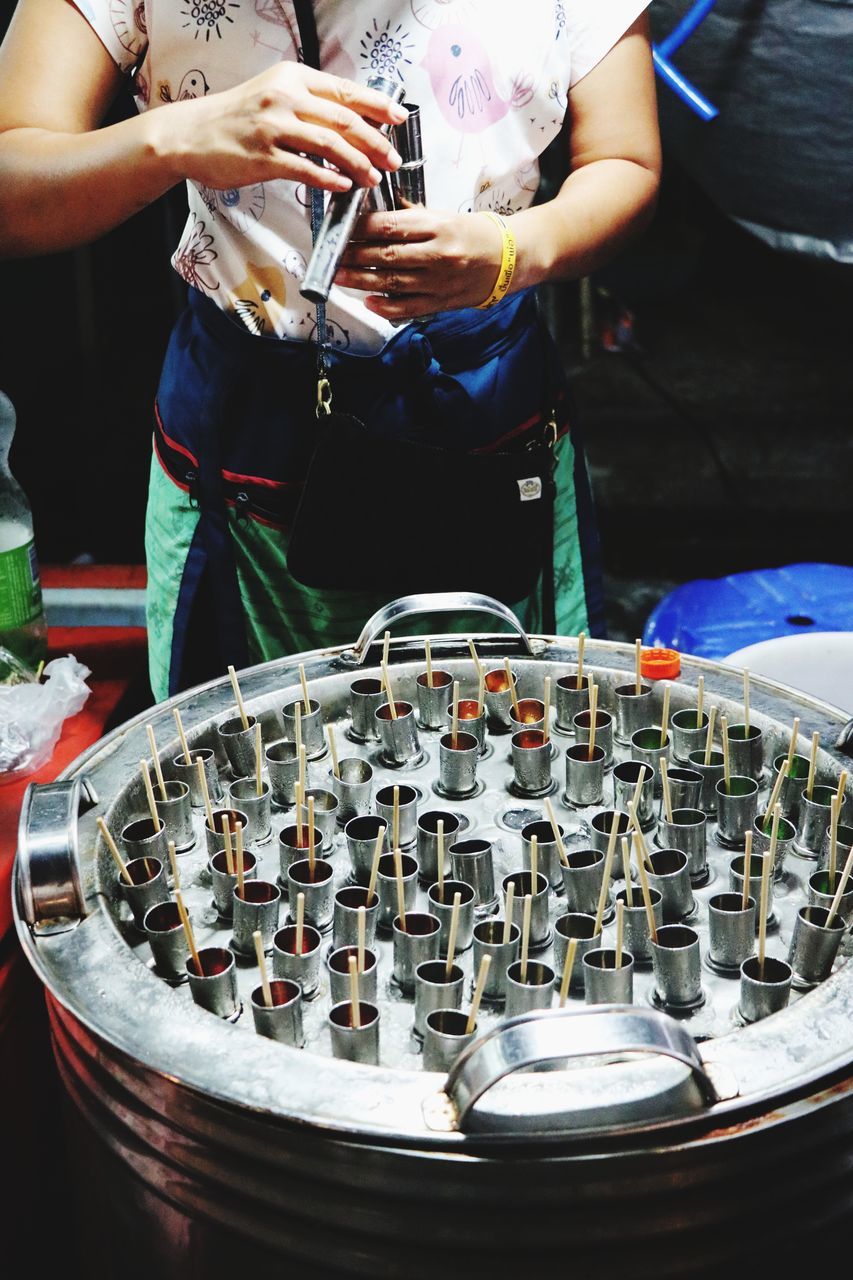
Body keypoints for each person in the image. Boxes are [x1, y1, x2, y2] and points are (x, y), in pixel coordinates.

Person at [0, 0, 661, 700]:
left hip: (490, 426)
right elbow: (13, 183)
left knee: (516, 756)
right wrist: (180, 135)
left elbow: (623, 158)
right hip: (246, 444)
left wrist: (514, 251)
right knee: (248, 781)